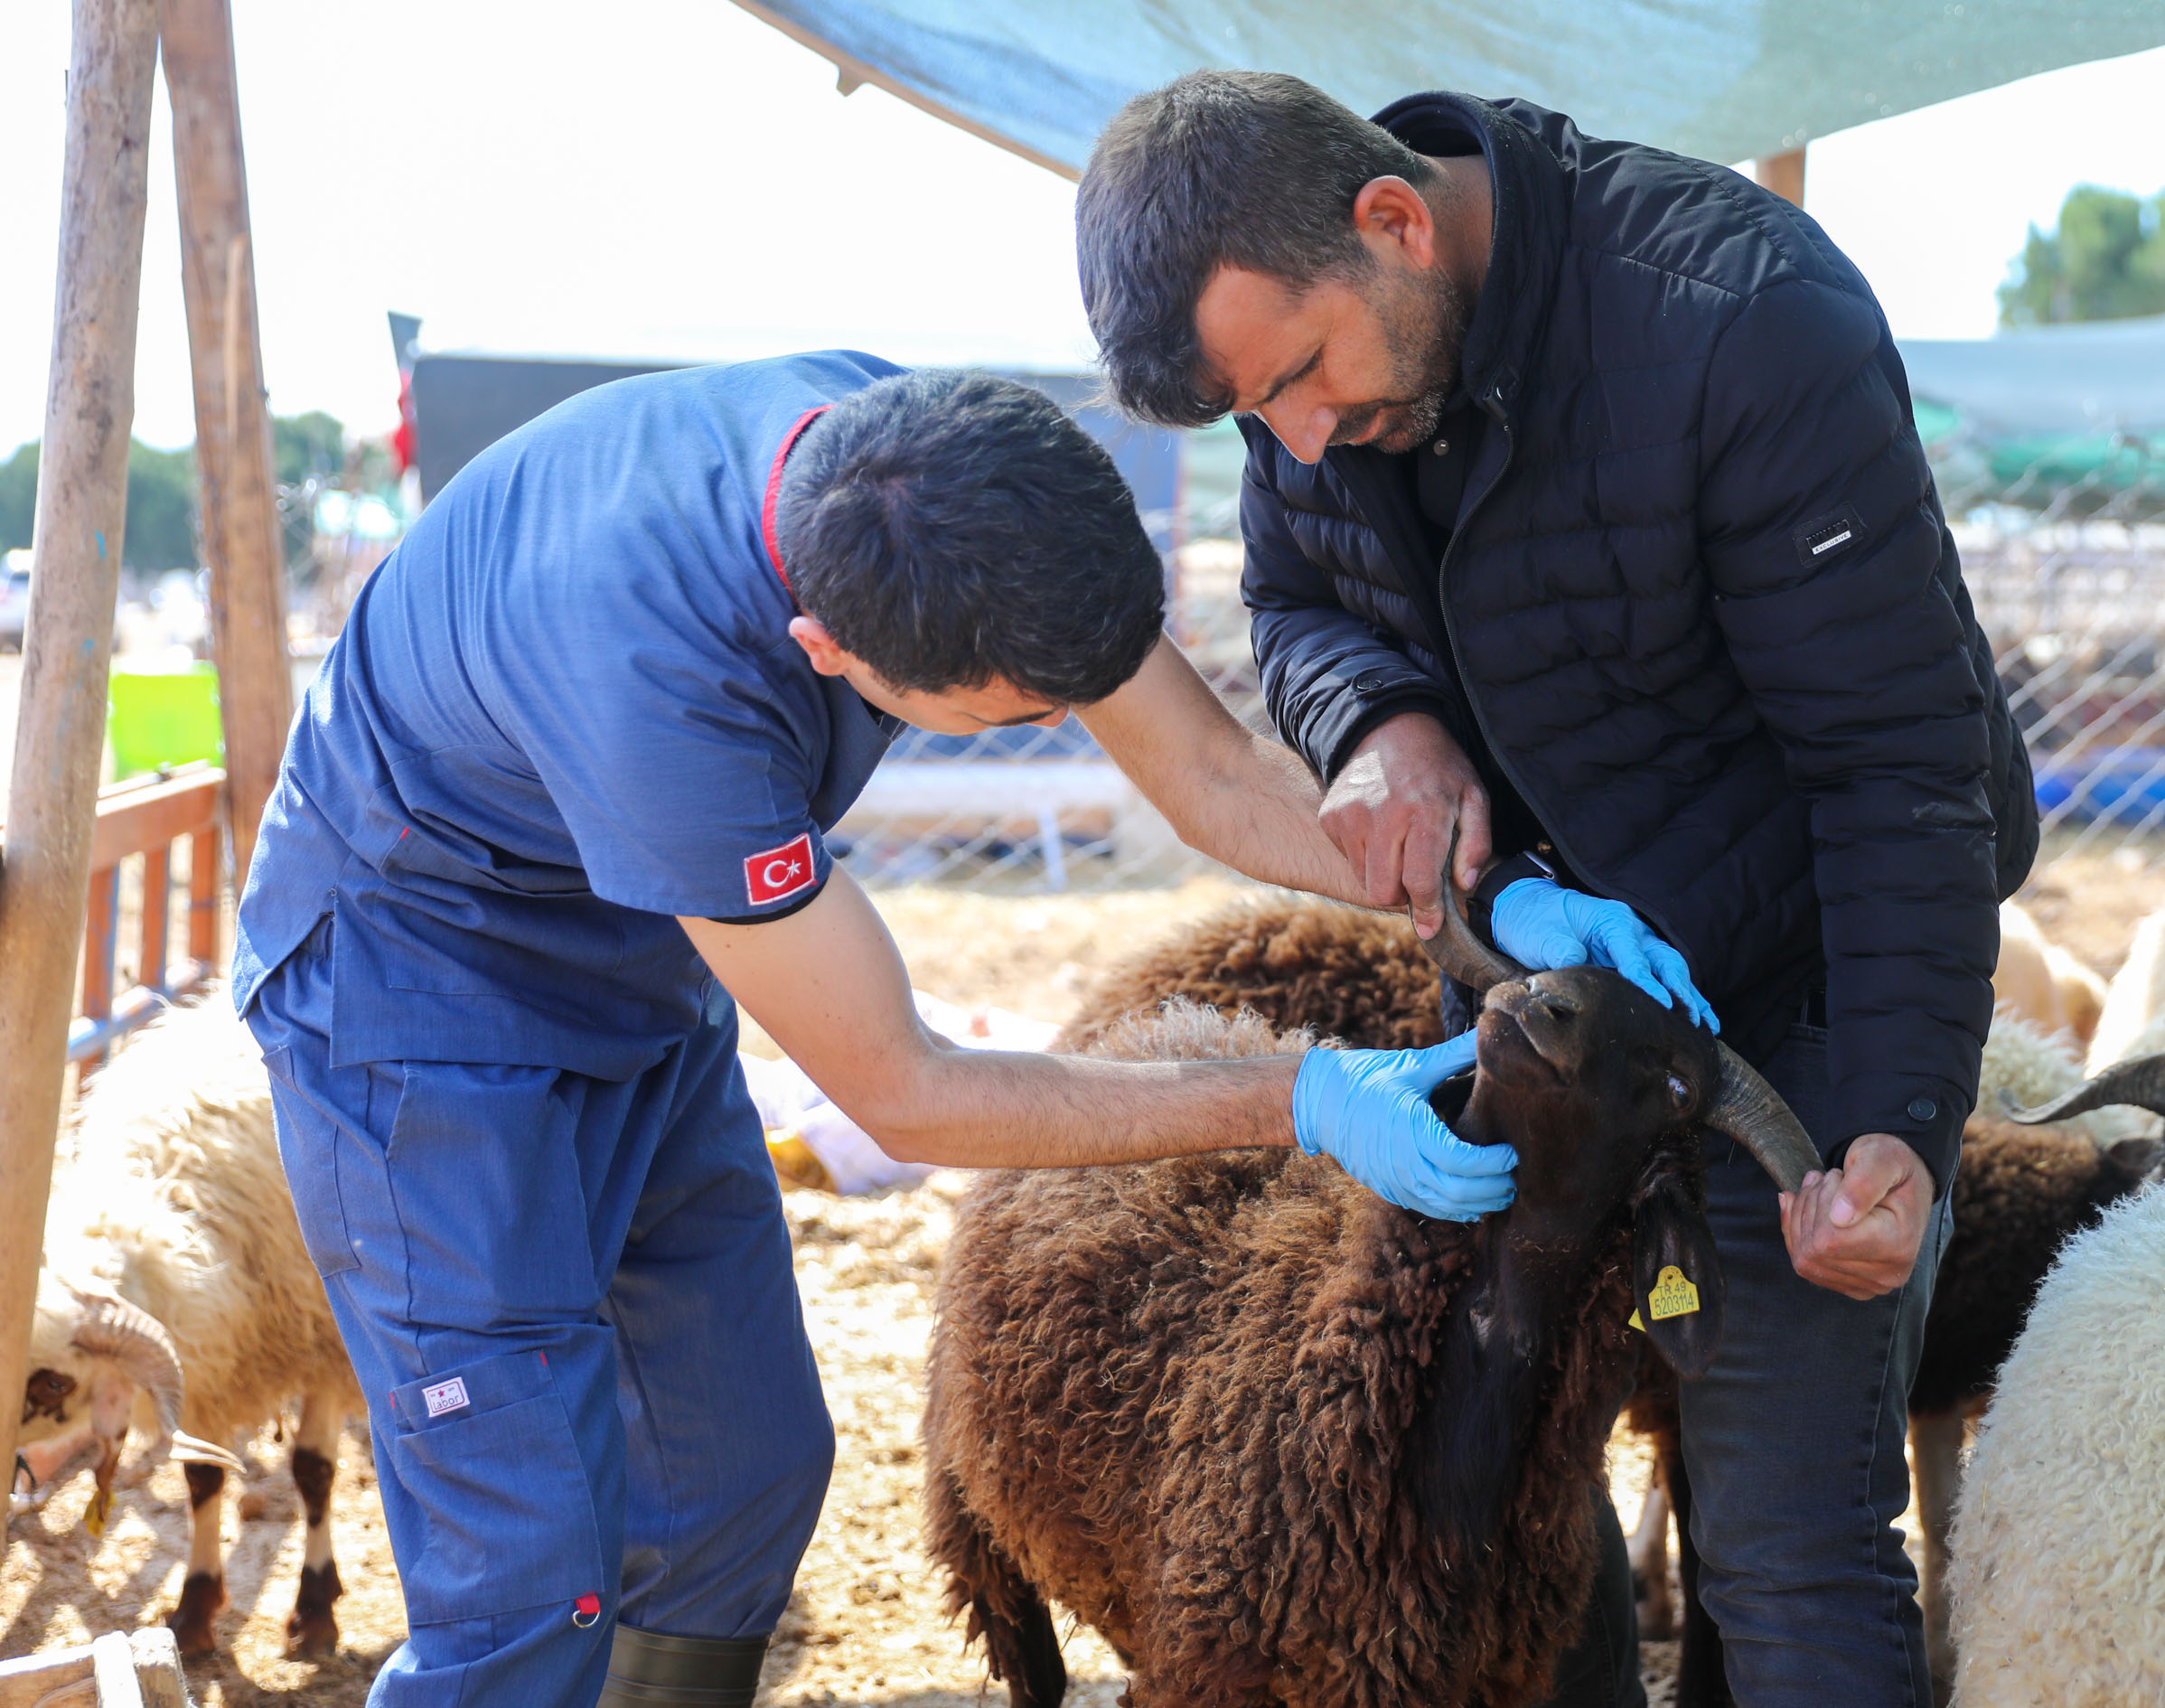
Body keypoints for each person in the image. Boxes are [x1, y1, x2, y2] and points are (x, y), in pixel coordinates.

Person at [232, 353, 1706, 1708]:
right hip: (423, 1006)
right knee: (525, 1561)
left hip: (638, 967)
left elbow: (1204, 771)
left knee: (739, 1472)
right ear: (824, 646)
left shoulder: (943, 478)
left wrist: (1483, 894)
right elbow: (912, 1090)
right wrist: (1304, 1093)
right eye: (1015, 718)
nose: (1055, 725)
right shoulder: (662, 689)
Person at [1075, 73, 2038, 1707]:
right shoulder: (1311, 385)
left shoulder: (1743, 325)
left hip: (1781, 1008)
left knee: (1786, 1540)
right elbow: (1302, 605)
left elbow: (1902, 770)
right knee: (1491, 1474)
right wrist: (1381, 730)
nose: (1295, 436)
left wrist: (1887, 1124)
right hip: (1535, 993)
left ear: (1395, 221)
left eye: (1303, 375)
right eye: (1259, 414)